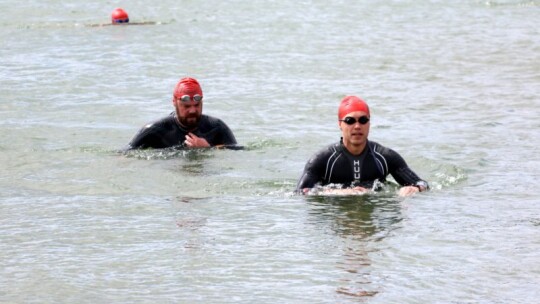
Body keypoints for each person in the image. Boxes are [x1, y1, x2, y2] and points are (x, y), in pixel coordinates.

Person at [296, 95, 429, 197]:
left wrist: (414, 188)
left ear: (369, 123)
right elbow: (301, 192)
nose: (357, 126)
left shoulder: (385, 157)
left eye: (363, 120)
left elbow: (422, 184)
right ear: (340, 124)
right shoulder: (323, 159)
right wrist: (338, 192)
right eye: (350, 121)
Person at [124, 77, 239, 151]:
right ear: (174, 102)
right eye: (187, 106)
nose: (193, 110)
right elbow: (125, 155)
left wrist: (208, 148)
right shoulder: (155, 130)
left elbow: (238, 152)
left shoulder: (216, 128)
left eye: (197, 105)